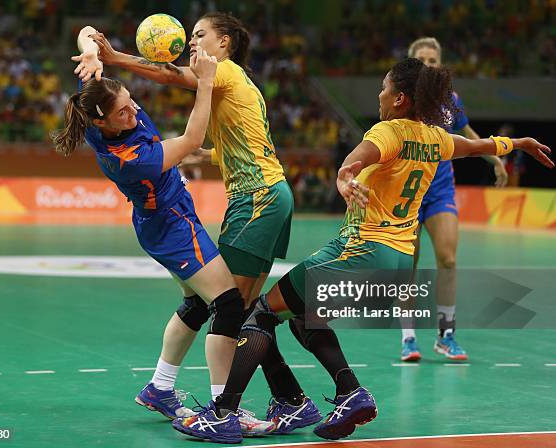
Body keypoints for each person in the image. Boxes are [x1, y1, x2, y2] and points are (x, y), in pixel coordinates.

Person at [171, 57, 553, 443]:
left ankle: (223, 414)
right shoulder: (435, 138)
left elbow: (354, 161)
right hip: (399, 264)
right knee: (304, 317)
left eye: (385, 88)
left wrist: (345, 176)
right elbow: (476, 146)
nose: (380, 94)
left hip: (363, 250)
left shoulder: (388, 131)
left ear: (401, 99)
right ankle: (344, 394)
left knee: (260, 314)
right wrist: (516, 143)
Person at [79, 13, 324, 434]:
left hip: (257, 198)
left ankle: (230, 408)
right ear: (103, 119)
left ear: (224, 42)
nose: (191, 42)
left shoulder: (223, 71)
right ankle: (276, 399)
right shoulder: (229, 80)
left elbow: (171, 77)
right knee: (229, 306)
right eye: (189, 35)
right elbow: (202, 127)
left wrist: (108, 55)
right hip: (258, 196)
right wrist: (112, 58)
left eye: (200, 35)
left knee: (234, 307)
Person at [401, 37, 509, 362]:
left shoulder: (451, 99)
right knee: (410, 265)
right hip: (407, 192)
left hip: (440, 191)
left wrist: (496, 157)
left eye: (434, 60)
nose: (429, 65)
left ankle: (446, 334)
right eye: (422, 60)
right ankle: (408, 338)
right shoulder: (402, 101)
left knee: (447, 259)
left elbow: (467, 135)